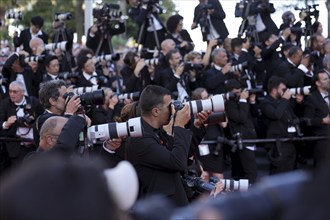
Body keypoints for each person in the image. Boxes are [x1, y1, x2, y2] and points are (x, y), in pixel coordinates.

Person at [125, 85, 208, 207]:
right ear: (156, 111)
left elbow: (184, 153)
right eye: (169, 106)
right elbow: (177, 162)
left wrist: (196, 125)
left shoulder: (156, 132)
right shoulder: (139, 139)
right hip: (160, 209)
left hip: (173, 204)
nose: (173, 109)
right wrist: (179, 125)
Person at [0, 81, 44, 169]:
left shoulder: (33, 102)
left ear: (23, 92)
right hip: (16, 146)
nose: (12, 94)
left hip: (33, 144)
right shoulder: (5, 104)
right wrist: (6, 124)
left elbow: (43, 118)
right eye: (10, 91)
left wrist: (33, 123)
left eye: (15, 92)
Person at [260, 76, 298, 175]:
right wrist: (285, 99)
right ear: (274, 90)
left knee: (290, 173)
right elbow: (276, 115)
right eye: (283, 89)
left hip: (290, 141)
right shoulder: (265, 102)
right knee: (278, 173)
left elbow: (293, 117)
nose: (286, 92)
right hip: (277, 144)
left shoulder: (283, 102)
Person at [224, 79, 258, 184]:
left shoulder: (242, 102)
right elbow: (241, 118)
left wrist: (252, 102)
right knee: (251, 172)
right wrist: (243, 100)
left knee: (246, 172)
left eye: (240, 92)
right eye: (236, 93)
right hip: (242, 141)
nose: (238, 95)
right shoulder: (229, 104)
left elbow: (255, 115)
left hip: (249, 139)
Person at [34, 80, 81, 146]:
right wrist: (69, 113)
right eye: (65, 96)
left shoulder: (63, 115)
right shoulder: (44, 120)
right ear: (53, 101)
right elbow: (63, 139)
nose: (68, 98)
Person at [304, 71, 330, 168]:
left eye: (328, 78)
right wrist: (323, 121)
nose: (328, 81)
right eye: (325, 79)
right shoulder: (312, 99)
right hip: (322, 142)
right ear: (318, 83)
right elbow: (307, 120)